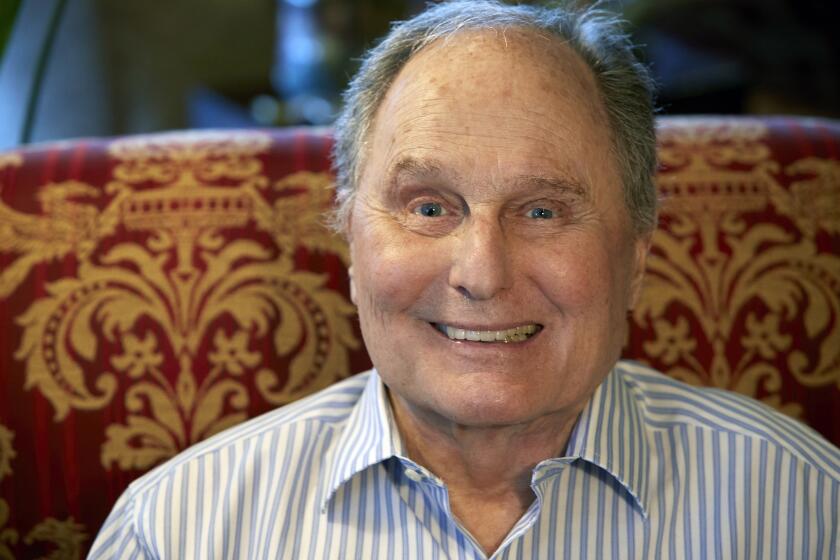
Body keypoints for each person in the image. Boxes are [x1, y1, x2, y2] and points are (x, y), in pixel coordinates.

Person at [88, 1, 840, 558]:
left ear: (635, 255)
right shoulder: (176, 530)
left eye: (543, 210)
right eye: (428, 207)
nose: (481, 273)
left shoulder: (805, 505)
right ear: (351, 239)